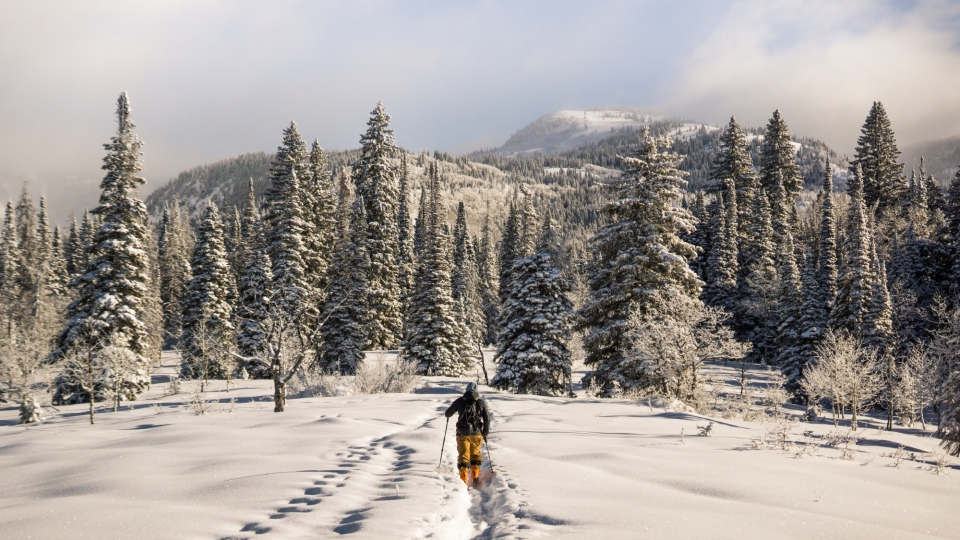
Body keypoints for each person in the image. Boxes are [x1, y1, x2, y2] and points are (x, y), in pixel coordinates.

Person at [444, 382, 490, 484]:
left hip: (462, 432)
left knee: (464, 455)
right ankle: (475, 475)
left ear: (466, 390)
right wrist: (485, 432)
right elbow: (487, 418)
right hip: (476, 433)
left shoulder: (460, 401)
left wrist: (449, 415)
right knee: (475, 454)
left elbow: (447, 413)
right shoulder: (480, 402)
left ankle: (464, 478)